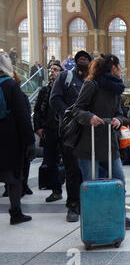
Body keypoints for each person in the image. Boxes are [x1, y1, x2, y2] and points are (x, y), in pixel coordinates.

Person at [72, 54, 130, 229]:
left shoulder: (116, 89)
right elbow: (77, 110)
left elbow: (118, 112)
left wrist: (118, 119)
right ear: (113, 68)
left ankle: (120, 218)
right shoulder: (91, 84)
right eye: (120, 66)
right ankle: (94, 222)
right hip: (89, 145)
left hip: (109, 145)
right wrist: (90, 117)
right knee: (92, 184)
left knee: (119, 181)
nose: (122, 70)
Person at [50, 50, 92, 222]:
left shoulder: (93, 80)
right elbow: (55, 99)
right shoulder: (65, 77)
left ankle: (86, 204)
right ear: (75, 61)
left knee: (87, 171)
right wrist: (70, 114)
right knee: (72, 171)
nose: (82, 59)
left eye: (86, 58)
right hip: (70, 133)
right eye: (79, 57)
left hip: (89, 133)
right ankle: (73, 205)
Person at [0, 51, 35, 225]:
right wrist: (30, 140)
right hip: (10, 139)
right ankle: (16, 213)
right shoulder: (11, 86)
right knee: (14, 178)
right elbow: (23, 116)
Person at [34, 61, 64, 202]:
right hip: (49, 131)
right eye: (51, 69)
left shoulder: (66, 90)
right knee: (50, 162)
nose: (53, 71)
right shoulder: (44, 91)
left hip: (64, 131)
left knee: (69, 162)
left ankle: (72, 195)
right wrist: (38, 127)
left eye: (56, 69)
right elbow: (37, 111)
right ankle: (56, 190)